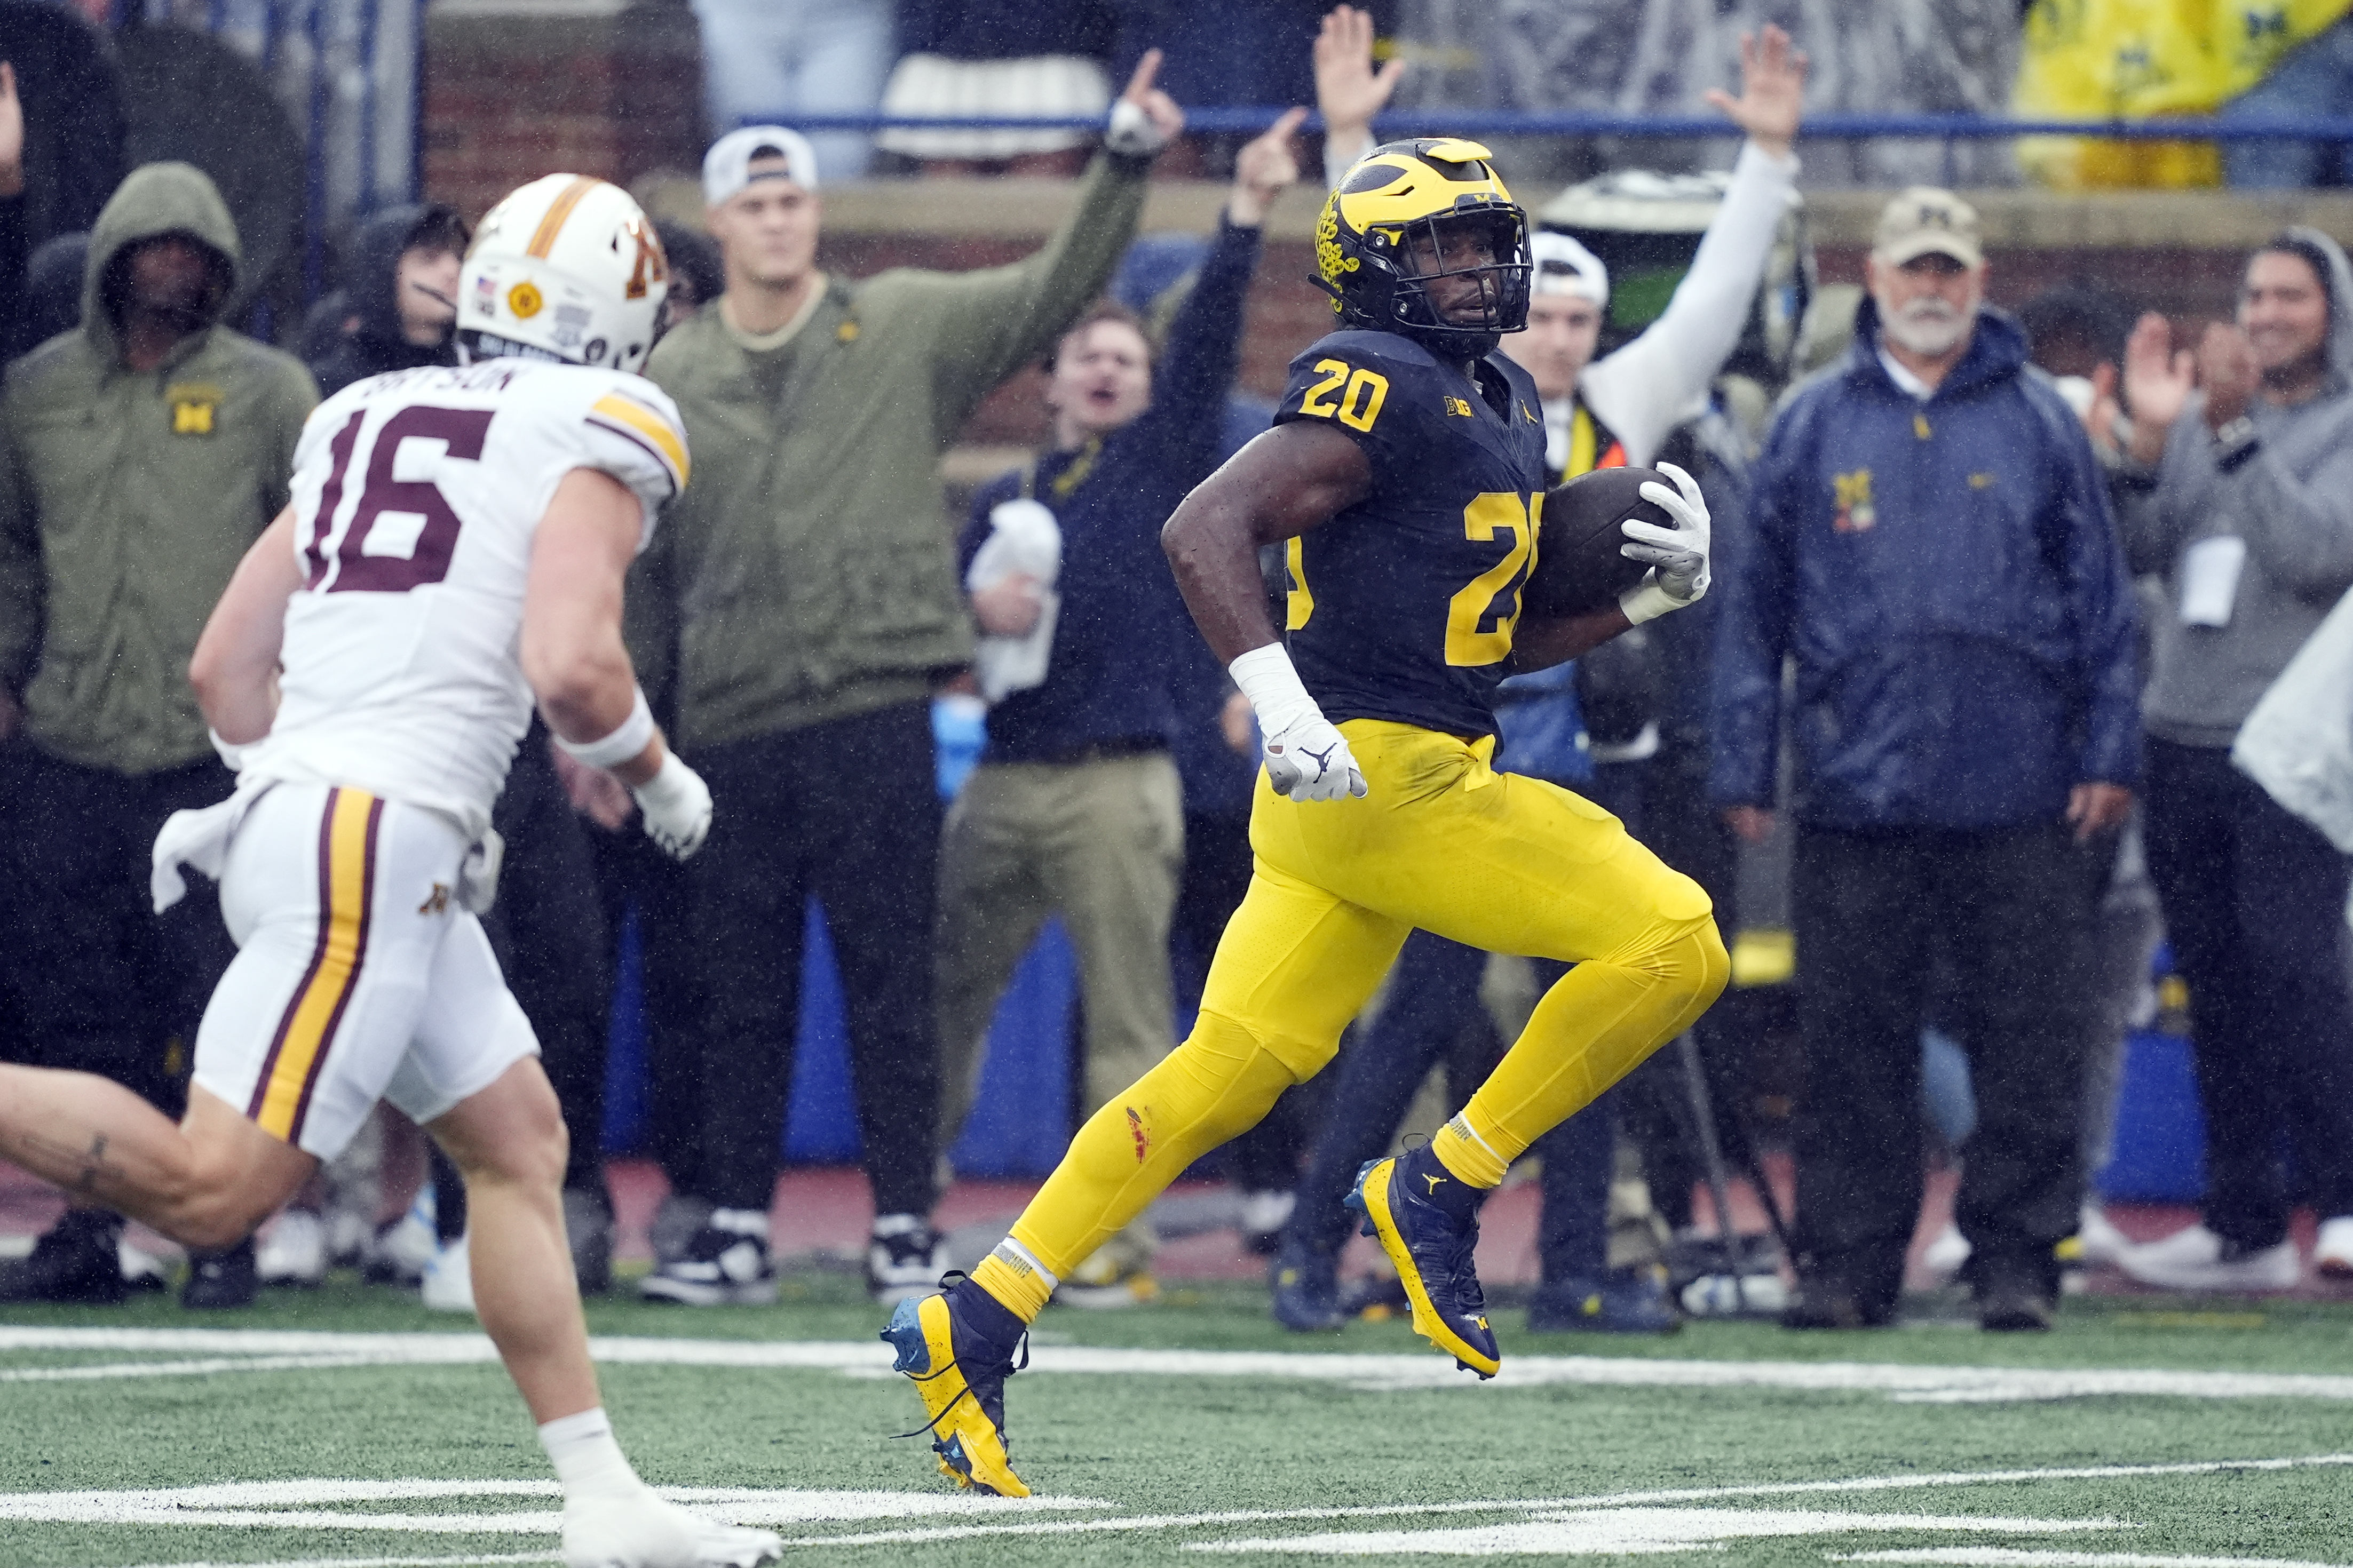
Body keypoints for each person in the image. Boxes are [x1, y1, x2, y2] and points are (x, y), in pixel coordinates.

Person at [885, 133, 1725, 1498]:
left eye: (1483, 240)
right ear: (1374, 267)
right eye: (1442, 246)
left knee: (1223, 1069)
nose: (1475, 267)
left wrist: (1634, 600)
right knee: (1674, 937)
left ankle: (976, 1311)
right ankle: (1439, 1180)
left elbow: (1485, 637)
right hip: (1380, 775)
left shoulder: (1500, 392)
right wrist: (1276, 701)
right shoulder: (1373, 375)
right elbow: (1201, 526)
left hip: (1354, 788)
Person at [0, 170, 782, 1568]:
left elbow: (222, 666)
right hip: (374, 835)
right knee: (216, 1188)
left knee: (519, 1142)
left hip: (335, 827)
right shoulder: (605, 418)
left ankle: (603, 1496)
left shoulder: (358, 411)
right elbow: (573, 665)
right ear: (623, 317)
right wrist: (662, 776)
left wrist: (288, 792)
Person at [1265, 12, 1804, 1336]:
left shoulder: (1617, 395)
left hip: (1567, 741)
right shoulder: (1422, 391)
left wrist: (1767, 162)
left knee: (1595, 1002)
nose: (1556, 334)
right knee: (1410, 1018)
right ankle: (1316, 1245)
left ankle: (1571, 1260)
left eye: (1574, 314)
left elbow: (1712, 301)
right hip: (1426, 737)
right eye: (1543, 310)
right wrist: (1351, 140)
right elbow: (1372, 274)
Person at [637, 65, 1183, 1309]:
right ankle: (734, 1222)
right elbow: (642, 565)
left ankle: (898, 1215)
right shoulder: (670, 375)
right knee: (736, 984)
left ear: (815, 213)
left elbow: (1049, 288)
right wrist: (630, 728)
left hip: (872, 703)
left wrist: (1121, 160)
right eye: (754, 204)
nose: (778, 220)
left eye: (792, 200)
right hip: (729, 716)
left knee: (893, 974)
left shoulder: (895, 323)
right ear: (719, 224)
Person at [1711, 187, 2141, 1333]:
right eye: (1913, 268)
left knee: (2026, 1034)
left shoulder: (2040, 419)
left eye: (1949, 269)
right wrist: (1743, 757)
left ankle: (2016, 1259)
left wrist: (2107, 748)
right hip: (1853, 782)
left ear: (1979, 279)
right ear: (1875, 276)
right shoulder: (1810, 418)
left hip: (2019, 781)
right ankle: (1847, 1263)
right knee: (1850, 1038)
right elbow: (1754, 606)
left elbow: (2101, 600)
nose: (1930, 288)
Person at [935, 109, 1305, 1306]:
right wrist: (970, 609)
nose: (1103, 369)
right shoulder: (1003, 493)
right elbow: (944, 629)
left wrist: (1244, 213)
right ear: (1046, 379)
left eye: (1125, 360)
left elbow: (1205, 340)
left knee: (1128, 1022)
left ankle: (1115, 1242)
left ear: (1150, 391)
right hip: (1004, 771)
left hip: (1117, 776)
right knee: (942, 994)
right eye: (1084, 355)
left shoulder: (1159, 463)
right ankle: (903, 1199)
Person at [0, 162, 318, 1311]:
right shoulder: (36, 393)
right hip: (69, 741)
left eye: (197, 250)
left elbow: (321, 550)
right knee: (76, 1001)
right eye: (156, 246)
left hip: (213, 760)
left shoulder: (271, 392)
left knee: (218, 996)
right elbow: (11, 548)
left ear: (225, 266)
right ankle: (89, 1226)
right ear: (113, 258)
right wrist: (8, 673)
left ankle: (221, 1230)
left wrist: (296, 694)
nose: (175, 267)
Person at [2094, 230, 2353, 1289]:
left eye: (2290, 295)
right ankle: (2241, 1220)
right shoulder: (2201, 423)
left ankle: (2339, 1202)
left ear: (2331, 311)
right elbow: (2140, 550)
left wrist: (2235, 433)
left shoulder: (2336, 423)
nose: (2266, 313)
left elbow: (2314, 552)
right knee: (2212, 982)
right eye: (2253, 295)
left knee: (2299, 972)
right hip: (2180, 730)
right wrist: (2142, 450)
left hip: (2286, 747)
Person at [304, 203, 470, 398]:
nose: (453, 271)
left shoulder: (475, 371)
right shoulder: (337, 384)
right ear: (383, 276)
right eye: (428, 259)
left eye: (459, 257)